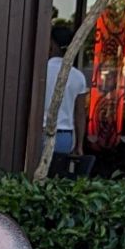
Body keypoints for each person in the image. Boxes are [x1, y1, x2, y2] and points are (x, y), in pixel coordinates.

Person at [42, 27, 88, 161]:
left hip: (40, 132)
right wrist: (79, 144)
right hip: (64, 136)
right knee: (57, 177)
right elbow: (80, 113)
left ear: (51, 44)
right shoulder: (78, 77)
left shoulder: (41, 72)